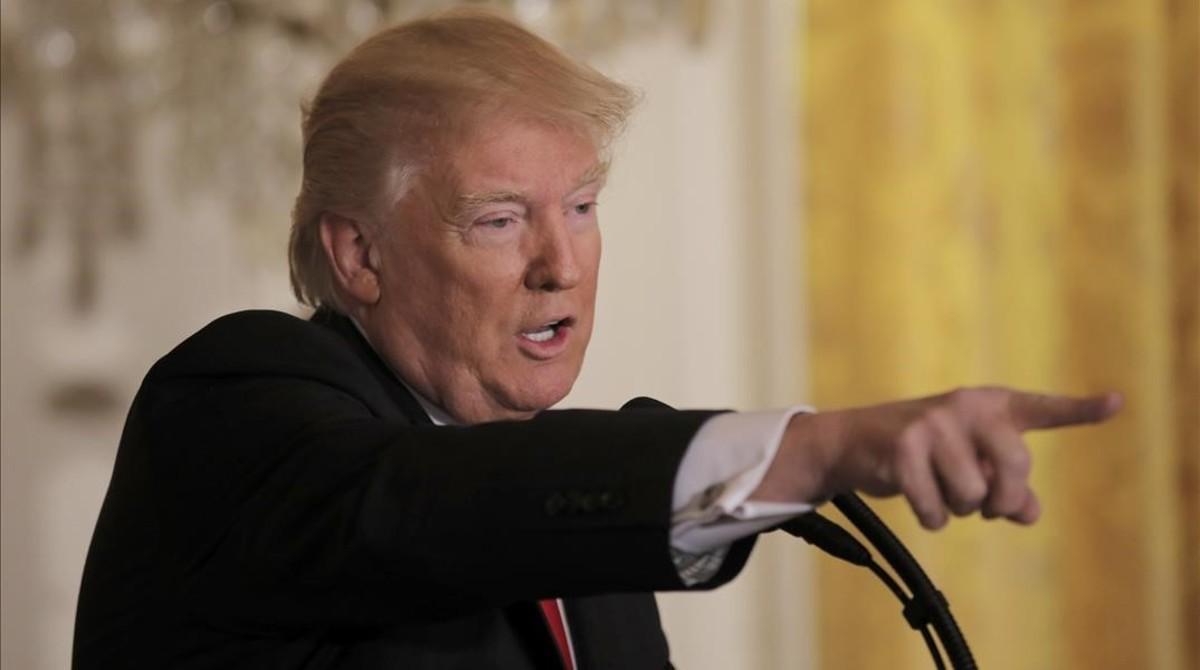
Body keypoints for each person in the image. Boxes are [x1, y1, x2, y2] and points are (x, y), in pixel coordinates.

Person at [72, 9, 1122, 670]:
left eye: (580, 205)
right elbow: (420, 505)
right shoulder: (234, 406)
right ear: (358, 257)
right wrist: (817, 446)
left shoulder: (593, 541)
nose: (561, 263)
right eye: (498, 218)